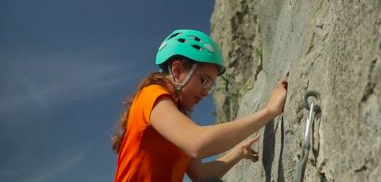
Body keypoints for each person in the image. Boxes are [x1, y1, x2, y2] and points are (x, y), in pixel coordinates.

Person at [112, 29, 288, 182]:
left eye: (210, 86)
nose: (205, 92)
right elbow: (198, 144)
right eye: (203, 80)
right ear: (177, 70)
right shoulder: (151, 95)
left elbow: (202, 175)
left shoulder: (177, 119)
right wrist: (270, 111)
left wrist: (239, 152)